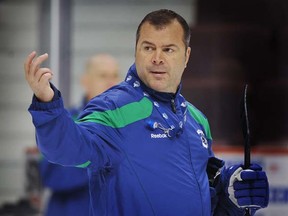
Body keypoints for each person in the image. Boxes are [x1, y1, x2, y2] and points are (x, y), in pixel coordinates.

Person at [24, 9, 269, 216]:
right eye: (148, 48)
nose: (157, 58)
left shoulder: (196, 120)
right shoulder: (114, 109)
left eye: (168, 49)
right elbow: (66, 148)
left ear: (187, 56)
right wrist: (48, 103)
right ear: (136, 51)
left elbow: (208, 197)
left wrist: (232, 192)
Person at [38, 54, 120, 216]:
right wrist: (103, 159)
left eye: (115, 75)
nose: (111, 82)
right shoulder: (65, 122)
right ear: (85, 81)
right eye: (103, 76)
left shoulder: (129, 124)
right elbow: (51, 176)